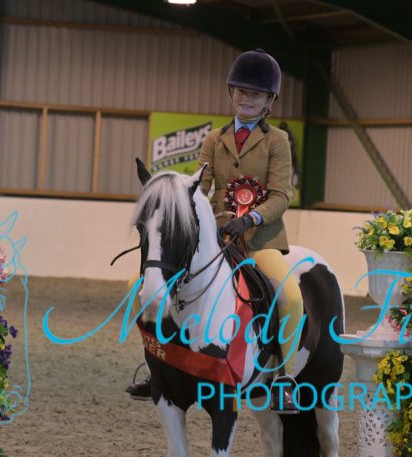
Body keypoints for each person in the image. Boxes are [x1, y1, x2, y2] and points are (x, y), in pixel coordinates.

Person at [127, 49, 303, 413]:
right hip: (217, 240)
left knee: (289, 296)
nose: (246, 98)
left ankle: (284, 377)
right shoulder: (214, 138)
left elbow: (282, 195)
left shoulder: (277, 141)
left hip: (261, 240)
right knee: (139, 285)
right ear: (231, 92)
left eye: (255, 94)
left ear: (269, 100)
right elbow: (200, 187)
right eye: (241, 91)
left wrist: (252, 219)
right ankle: (156, 364)